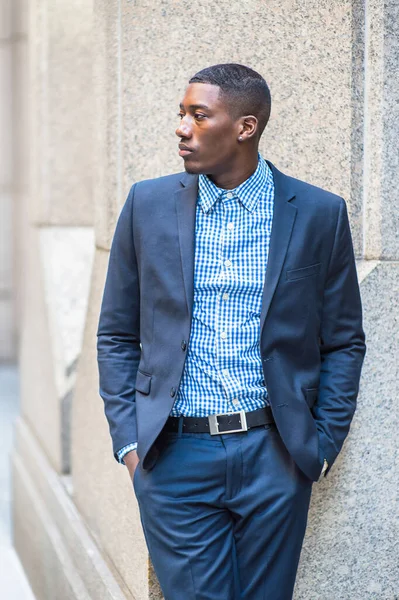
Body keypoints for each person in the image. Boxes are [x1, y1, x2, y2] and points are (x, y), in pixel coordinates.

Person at [97, 63, 366, 600]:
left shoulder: (317, 213)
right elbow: (117, 334)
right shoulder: (147, 205)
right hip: (172, 455)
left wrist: (321, 444)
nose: (182, 127)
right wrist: (130, 443)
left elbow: (343, 340)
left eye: (199, 115)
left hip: (276, 453)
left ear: (245, 127)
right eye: (181, 114)